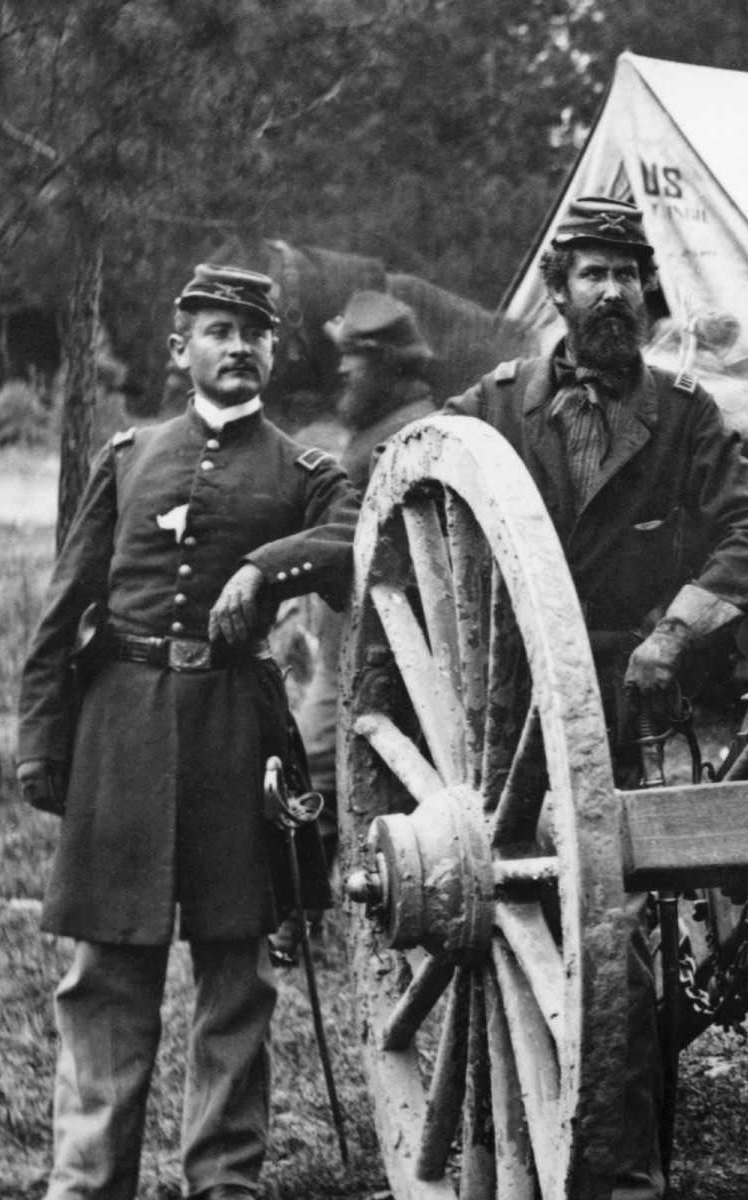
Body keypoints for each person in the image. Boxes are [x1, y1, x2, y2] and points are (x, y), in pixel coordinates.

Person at [443, 195, 748, 1200]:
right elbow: (416, 502)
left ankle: (625, 1175)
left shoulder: (683, 419)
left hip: (629, 707)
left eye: (626, 274)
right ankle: (501, 1162)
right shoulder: (494, 409)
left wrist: (677, 630)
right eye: (591, 272)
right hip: (508, 716)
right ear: (558, 291)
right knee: (506, 933)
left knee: (622, 952)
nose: (610, 292)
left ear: (649, 295)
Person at [15, 264, 360, 1200]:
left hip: (234, 742)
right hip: (119, 735)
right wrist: (44, 741)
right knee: (105, 978)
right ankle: (85, 1181)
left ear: (275, 353)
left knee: (237, 978)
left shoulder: (305, 472)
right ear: (182, 351)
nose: (236, 347)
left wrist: (266, 566)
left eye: (252, 334)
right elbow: (64, 609)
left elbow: (354, 539)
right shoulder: (128, 458)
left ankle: (224, 1183)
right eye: (216, 331)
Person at [272, 291, 440, 965]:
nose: (342, 374)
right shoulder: (375, 431)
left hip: (390, 644)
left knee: (319, 766)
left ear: (394, 368)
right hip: (354, 632)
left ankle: (301, 923)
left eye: (356, 362)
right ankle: (302, 919)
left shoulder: (410, 434)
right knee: (318, 766)